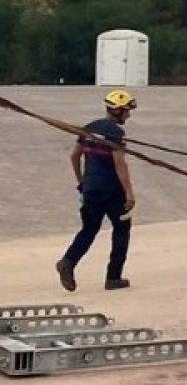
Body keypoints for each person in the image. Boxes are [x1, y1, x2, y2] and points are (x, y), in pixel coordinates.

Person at [56, 90, 138, 292]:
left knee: (89, 229)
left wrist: (82, 182)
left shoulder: (89, 128)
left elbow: (74, 156)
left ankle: (68, 261)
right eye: (127, 111)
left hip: (91, 189)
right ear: (118, 111)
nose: (129, 115)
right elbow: (120, 164)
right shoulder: (116, 134)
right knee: (121, 230)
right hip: (112, 190)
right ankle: (113, 277)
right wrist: (129, 193)